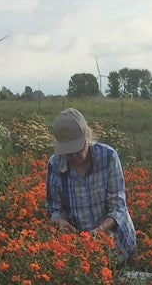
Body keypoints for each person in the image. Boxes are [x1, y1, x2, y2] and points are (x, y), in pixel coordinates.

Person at [45, 108, 137, 260]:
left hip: (117, 244)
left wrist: (98, 231)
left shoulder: (108, 157)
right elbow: (54, 206)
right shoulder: (55, 163)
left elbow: (118, 206)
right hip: (81, 247)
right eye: (68, 152)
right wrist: (59, 221)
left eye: (78, 149)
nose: (74, 156)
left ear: (87, 136)